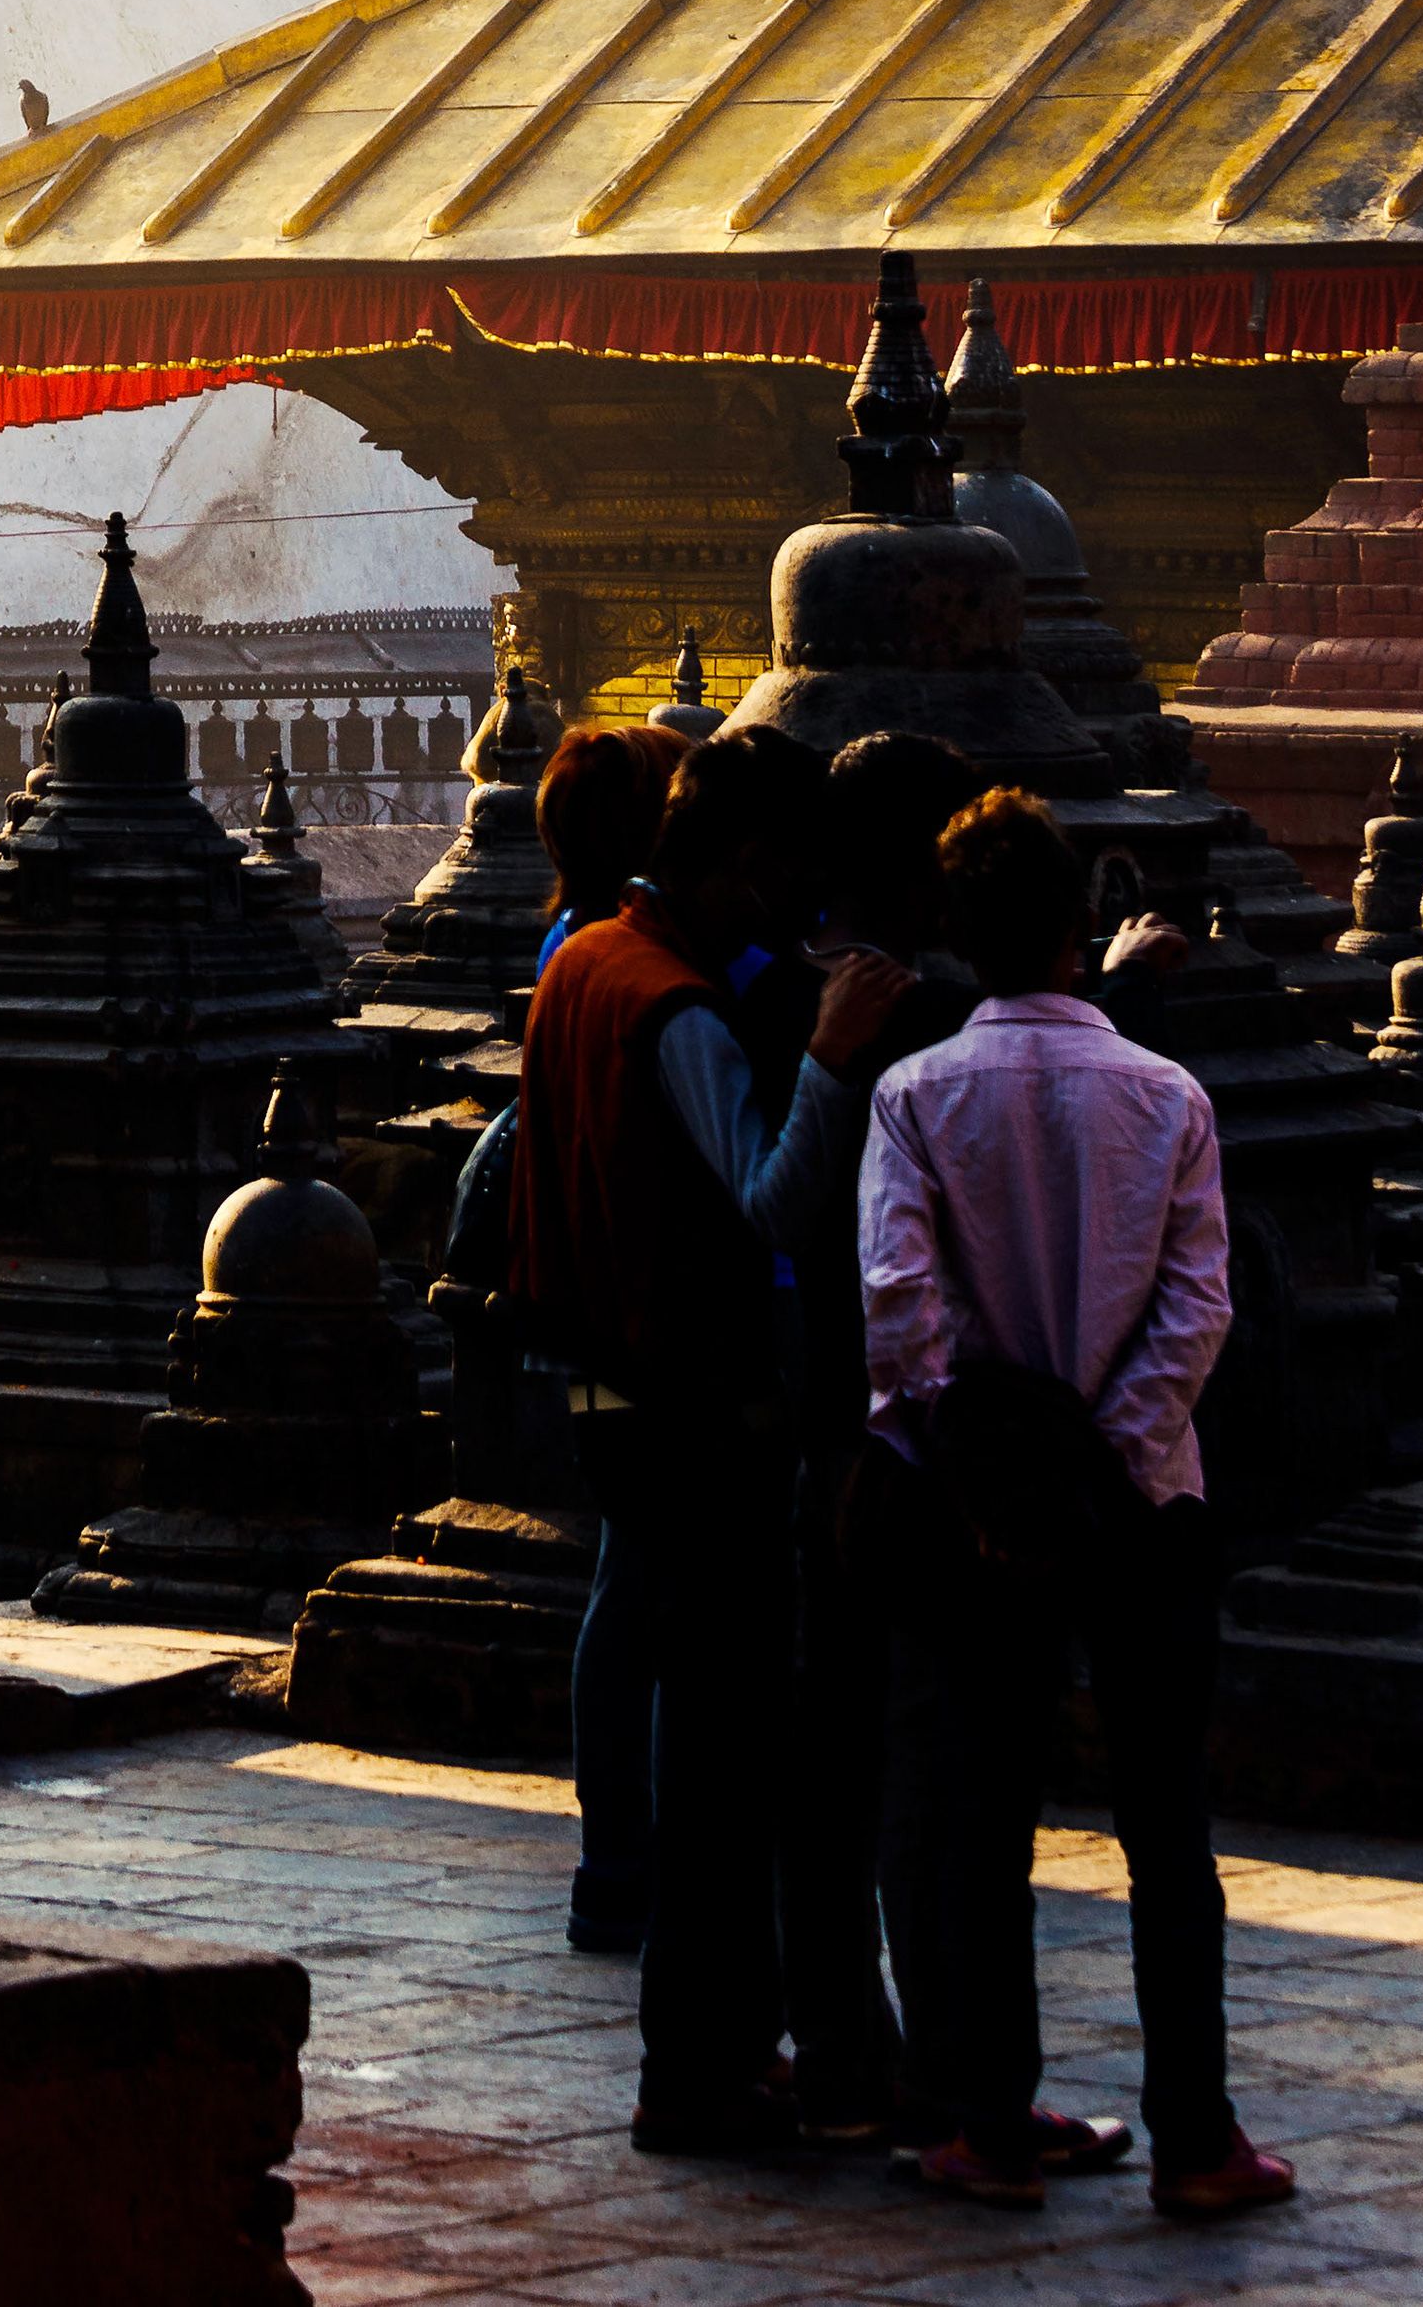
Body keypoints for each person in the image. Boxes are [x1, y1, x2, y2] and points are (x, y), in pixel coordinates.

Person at [858, 786, 1287, 2222]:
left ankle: (993, 2117)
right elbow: (1198, 1307)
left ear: (959, 940)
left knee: (988, 1818)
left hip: (981, 1509)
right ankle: (1196, 2134)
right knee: (1168, 1826)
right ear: (1081, 927)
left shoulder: (914, 1094)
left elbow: (902, 1315)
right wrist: (1106, 1450)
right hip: (1144, 1502)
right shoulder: (1165, 1093)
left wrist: (989, 1472)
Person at [509, 723, 910, 2159]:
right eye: (793, 880)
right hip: (693, 1413)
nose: (802, 911)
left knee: (705, 1735)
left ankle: (717, 2049)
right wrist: (838, 1054)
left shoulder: (581, 958)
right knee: (729, 1764)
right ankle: (703, 2064)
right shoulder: (673, 1005)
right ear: (746, 864)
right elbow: (769, 1200)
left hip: (611, 1394)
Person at [771, 731, 982, 2144]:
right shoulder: (923, 1017)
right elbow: (820, 1227)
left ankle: (843, 2043)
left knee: (826, 1764)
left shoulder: (772, 984)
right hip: (897, 1431)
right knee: (921, 1769)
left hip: (800, 1418)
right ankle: (919, 2066)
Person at [525, 722, 689, 1962]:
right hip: (643, 1318)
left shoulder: (567, 944)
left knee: (624, 1594)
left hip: (583, 1313)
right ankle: (624, 1857)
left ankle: (617, 1852)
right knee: (640, 1599)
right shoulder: (621, 965)